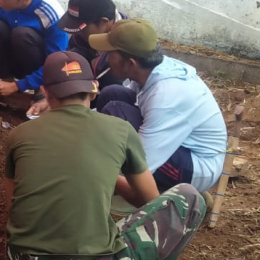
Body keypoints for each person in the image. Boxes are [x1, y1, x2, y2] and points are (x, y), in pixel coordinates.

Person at [5, 51, 205, 260]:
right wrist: (113, 180)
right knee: (190, 197)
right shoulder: (120, 130)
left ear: (46, 93)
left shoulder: (19, 135)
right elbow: (151, 202)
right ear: (94, 88)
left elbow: (13, 207)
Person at [88, 19, 226, 198]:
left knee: (116, 113)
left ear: (130, 63)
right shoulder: (152, 69)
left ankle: (179, 194)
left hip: (197, 167)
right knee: (111, 94)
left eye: (110, 53)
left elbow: (143, 162)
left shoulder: (166, 96)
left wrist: (105, 179)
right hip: (177, 145)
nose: (104, 56)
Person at [27, 0, 127, 115]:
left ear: (104, 22)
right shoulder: (82, 37)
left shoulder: (126, 47)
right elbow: (66, 70)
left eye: (82, 29)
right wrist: (48, 99)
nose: (78, 33)